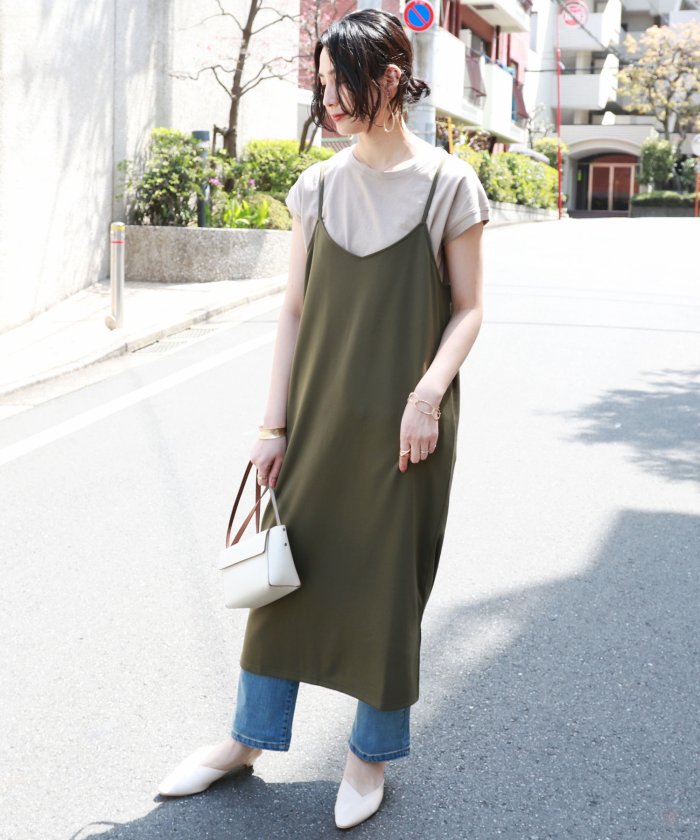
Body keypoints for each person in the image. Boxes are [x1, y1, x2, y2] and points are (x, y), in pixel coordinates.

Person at [158, 8, 488, 830]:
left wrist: (426, 397)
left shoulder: (449, 184)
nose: (329, 99)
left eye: (342, 82)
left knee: (386, 587)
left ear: (389, 79)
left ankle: (369, 754)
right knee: (283, 575)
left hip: (407, 431)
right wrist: (272, 427)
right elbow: (294, 312)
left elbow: (470, 309)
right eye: (323, 83)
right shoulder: (318, 186)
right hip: (316, 419)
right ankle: (246, 740)